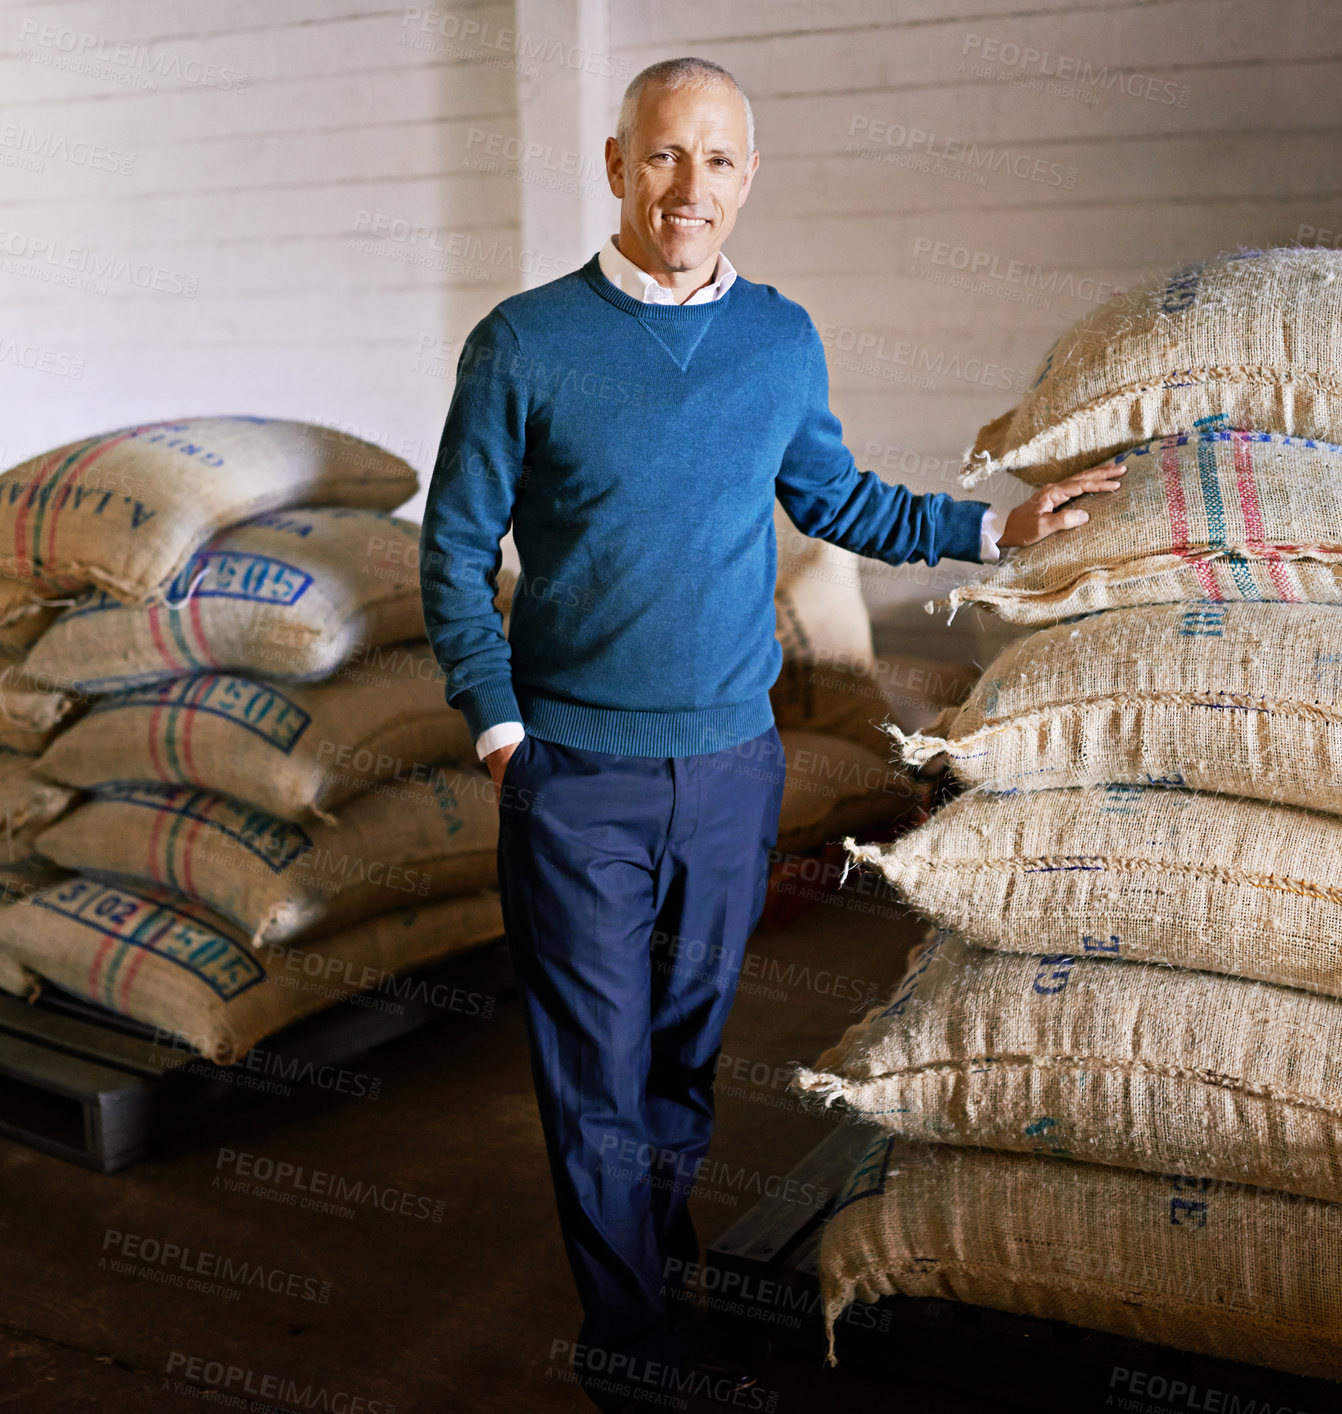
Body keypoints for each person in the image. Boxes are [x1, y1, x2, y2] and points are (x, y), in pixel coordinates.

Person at [419, 56, 1122, 1412]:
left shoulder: (777, 338)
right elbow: (453, 551)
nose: (692, 189)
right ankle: (627, 1345)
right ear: (618, 166)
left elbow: (835, 495)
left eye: (721, 162)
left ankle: (652, 1277)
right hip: (577, 778)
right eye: (666, 157)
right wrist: (502, 729)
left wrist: (991, 527)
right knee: (595, 1076)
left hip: (732, 769)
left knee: (682, 1063)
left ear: (748, 178)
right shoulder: (522, 342)